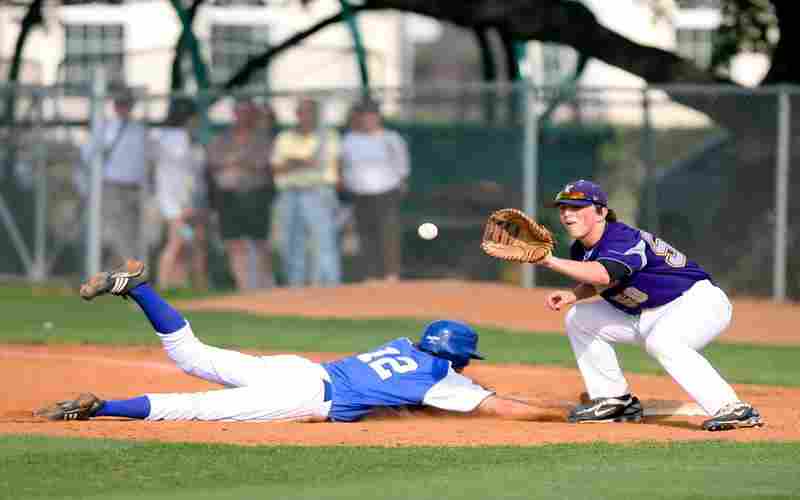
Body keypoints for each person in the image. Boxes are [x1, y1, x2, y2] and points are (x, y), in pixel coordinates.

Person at [34, 259, 549, 423]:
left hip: (297, 368)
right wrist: (567, 413)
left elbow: (397, 396)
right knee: (194, 408)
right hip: (304, 396)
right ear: (457, 357)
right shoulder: (442, 379)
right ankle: (102, 407)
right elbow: (504, 409)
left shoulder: (402, 346)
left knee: (192, 354)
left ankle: (140, 289)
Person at [537, 179, 763, 431]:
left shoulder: (621, 238)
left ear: (601, 212)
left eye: (576, 207)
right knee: (579, 318)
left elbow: (604, 274)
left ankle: (733, 408)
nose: (567, 213)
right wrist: (574, 295)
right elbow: (603, 279)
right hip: (647, 313)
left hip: (696, 303)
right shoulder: (581, 249)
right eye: (563, 208)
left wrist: (548, 261)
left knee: (663, 342)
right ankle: (615, 401)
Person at [206, 97, 275, 290]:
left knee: (260, 243)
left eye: (247, 113)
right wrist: (240, 164)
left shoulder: (262, 139)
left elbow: (262, 165)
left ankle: (266, 286)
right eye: (239, 112)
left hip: (256, 195)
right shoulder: (222, 139)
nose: (243, 117)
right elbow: (214, 165)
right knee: (235, 243)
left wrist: (236, 164)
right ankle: (244, 286)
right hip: (228, 197)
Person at [271, 97, 341, 287]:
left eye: (310, 112)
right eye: (302, 112)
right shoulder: (285, 137)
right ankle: (295, 287)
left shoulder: (328, 136)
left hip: (318, 191)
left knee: (323, 241)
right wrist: (302, 162)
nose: (306, 116)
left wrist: (292, 162)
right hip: (290, 193)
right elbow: (277, 168)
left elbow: (320, 163)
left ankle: (329, 286)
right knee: (291, 242)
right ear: (297, 114)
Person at [77, 87, 149, 269]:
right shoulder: (105, 128)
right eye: (120, 104)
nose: (123, 108)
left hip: (135, 187)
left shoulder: (138, 129)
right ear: (115, 106)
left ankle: (121, 271)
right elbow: (87, 155)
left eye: (127, 104)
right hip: (112, 186)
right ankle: (132, 271)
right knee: (119, 231)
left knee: (132, 231)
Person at [340, 99, 410, 282]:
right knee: (365, 234)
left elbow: (401, 165)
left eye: (371, 115)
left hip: (386, 191)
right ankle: (370, 274)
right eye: (364, 116)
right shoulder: (350, 140)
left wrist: (400, 183)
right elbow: (344, 165)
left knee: (388, 233)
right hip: (359, 192)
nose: (368, 119)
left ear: (378, 117)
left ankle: (391, 273)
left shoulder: (391, 138)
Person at [150, 97, 208, 290]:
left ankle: (183, 284)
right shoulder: (176, 140)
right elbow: (180, 176)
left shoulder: (170, 138)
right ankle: (165, 285)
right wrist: (184, 205)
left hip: (183, 202)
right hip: (177, 205)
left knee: (191, 242)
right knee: (178, 242)